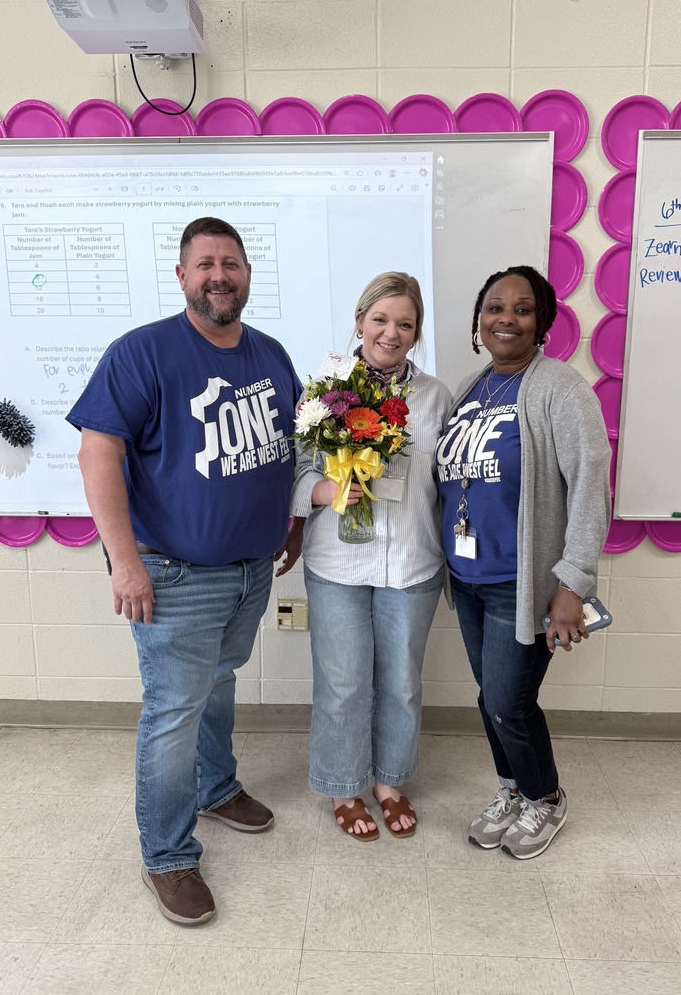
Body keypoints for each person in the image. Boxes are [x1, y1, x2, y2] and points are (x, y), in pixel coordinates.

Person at [66, 217, 304, 924]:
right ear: (181, 276)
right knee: (174, 709)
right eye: (205, 264)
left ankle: (217, 785)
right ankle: (167, 856)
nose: (219, 275)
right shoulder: (142, 353)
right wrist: (125, 563)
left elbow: (286, 449)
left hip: (249, 570)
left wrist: (286, 525)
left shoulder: (271, 354)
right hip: (171, 575)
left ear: (248, 274)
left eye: (231, 262)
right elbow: (97, 454)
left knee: (218, 683)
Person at [436, 266, 611, 859]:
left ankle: (546, 797)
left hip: (522, 581)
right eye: (493, 307)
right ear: (478, 320)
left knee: (508, 700)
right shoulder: (470, 386)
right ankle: (512, 788)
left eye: (522, 309)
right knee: (491, 696)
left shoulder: (560, 388)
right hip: (468, 578)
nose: (505, 318)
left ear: (542, 324)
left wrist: (572, 582)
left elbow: (590, 485)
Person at [291, 272, 451, 840]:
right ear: (359, 321)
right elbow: (297, 470)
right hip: (337, 563)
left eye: (405, 323)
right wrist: (326, 492)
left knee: (402, 680)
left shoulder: (435, 396)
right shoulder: (324, 392)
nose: (391, 332)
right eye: (380, 319)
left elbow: (447, 479)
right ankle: (342, 785)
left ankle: (389, 780)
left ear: (416, 333)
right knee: (342, 682)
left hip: (412, 562)